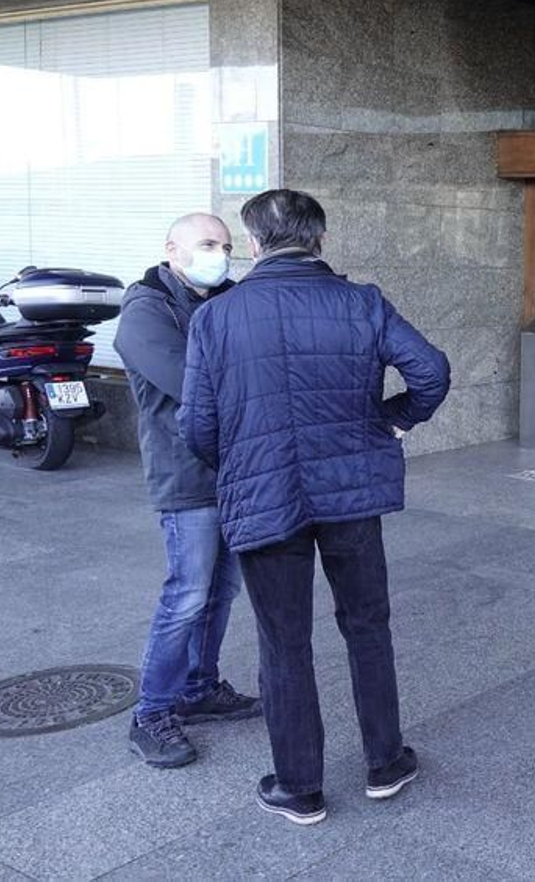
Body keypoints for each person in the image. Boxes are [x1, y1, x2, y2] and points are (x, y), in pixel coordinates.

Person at [179, 189, 450, 826]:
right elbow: (431, 372)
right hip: (351, 494)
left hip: (265, 496)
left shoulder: (216, 318)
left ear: (252, 244)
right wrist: (389, 423)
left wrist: (243, 462)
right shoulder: (362, 303)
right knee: (367, 625)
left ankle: (299, 788)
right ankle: (385, 763)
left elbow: (196, 426)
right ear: (320, 240)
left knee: (283, 644)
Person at [113, 214, 261, 769]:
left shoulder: (227, 296)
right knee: (187, 594)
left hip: (233, 469)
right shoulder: (146, 310)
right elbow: (191, 383)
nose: (218, 254)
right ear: (172, 249)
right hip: (186, 476)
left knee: (222, 591)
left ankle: (199, 688)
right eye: (206, 244)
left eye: (224, 245)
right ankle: (150, 712)